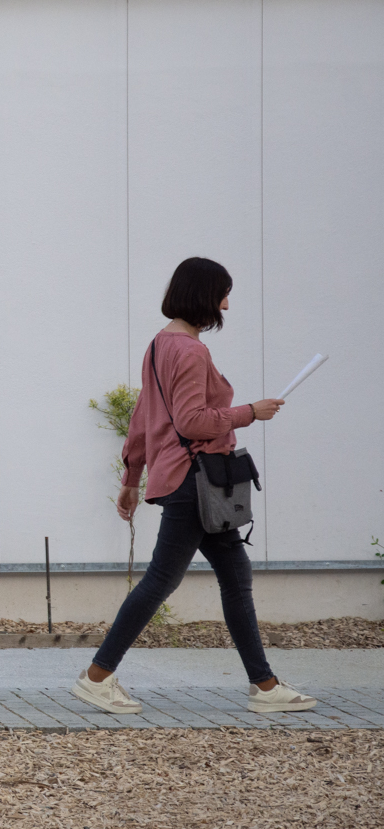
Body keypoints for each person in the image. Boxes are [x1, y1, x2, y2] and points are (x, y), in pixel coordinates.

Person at [73, 257, 317, 715]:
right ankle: (96, 677)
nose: (227, 304)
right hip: (195, 480)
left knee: (235, 578)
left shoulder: (160, 345)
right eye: (223, 294)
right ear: (205, 296)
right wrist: (250, 412)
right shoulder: (189, 351)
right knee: (162, 580)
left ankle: (264, 686)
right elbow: (190, 421)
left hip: (198, 482)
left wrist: (132, 476)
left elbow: (144, 417)